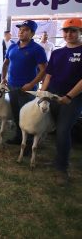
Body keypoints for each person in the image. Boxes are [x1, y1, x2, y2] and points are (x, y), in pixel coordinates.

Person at [41, 18, 82, 186]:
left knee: (63, 131)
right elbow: (48, 75)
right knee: (56, 129)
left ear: (80, 32)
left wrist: (70, 97)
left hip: (72, 98)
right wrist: (43, 93)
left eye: (73, 30)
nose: (69, 34)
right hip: (53, 95)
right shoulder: (57, 53)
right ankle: (59, 160)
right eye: (66, 31)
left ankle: (62, 168)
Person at [2, 20, 47, 146]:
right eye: (20, 29)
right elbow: (6, 64)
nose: (21, 31)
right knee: (16, 113)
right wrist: (4, 78)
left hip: (27, 89)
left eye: (25, 30)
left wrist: (31, 84)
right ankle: (18, 137)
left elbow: (44, 70)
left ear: (32, 33)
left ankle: (30, 142)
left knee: (29, 116)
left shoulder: (37, 49)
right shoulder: (12, 46)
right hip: (12, 87)